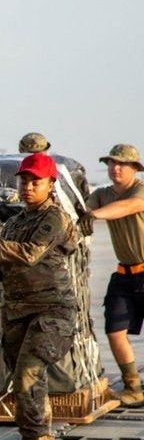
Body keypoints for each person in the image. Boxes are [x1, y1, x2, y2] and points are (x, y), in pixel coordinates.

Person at [0, 153, 79, 440]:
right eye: (24, 180)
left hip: (52, 311)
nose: (28, 187)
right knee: (27, 384)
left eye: (35, 182)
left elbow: (29, 255)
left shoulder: (54, 218)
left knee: (27, 376)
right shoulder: (15, 222)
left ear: (50, 185)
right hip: (17, 314)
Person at [79, 144, 144, 407]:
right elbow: (81, 209)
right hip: (124, 273)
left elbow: (128, 207)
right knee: (114, 330)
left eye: (121, 164)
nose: (115, 168)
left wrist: (93, 216)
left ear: (134, 169)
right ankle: (133, 387)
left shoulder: (139, 190)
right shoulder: (102, 194)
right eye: (111, 163)